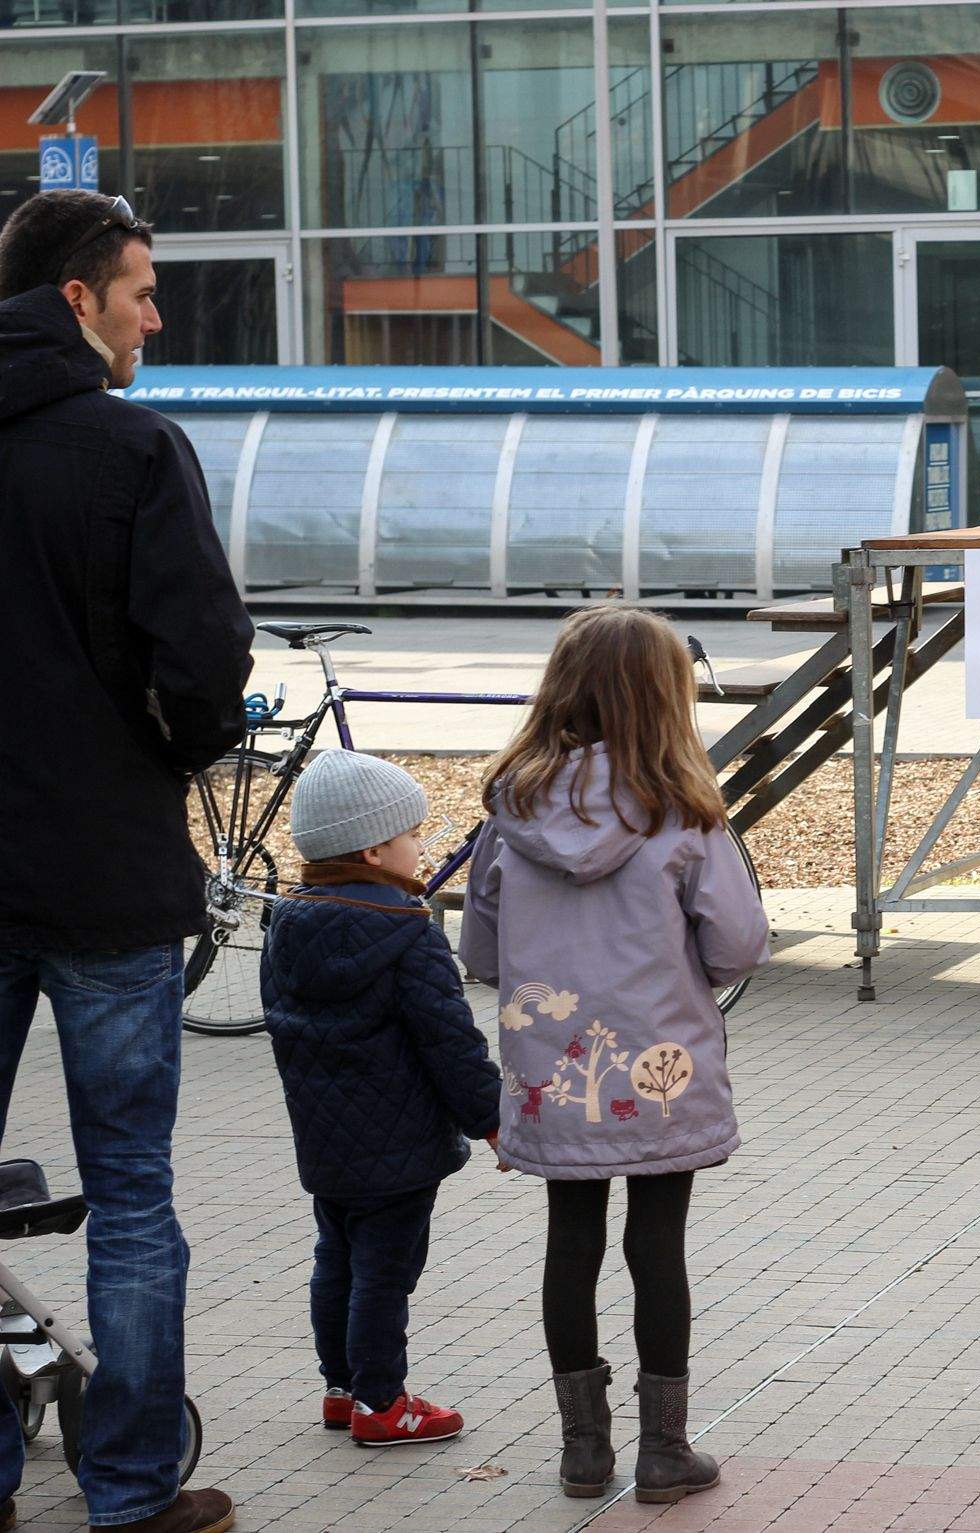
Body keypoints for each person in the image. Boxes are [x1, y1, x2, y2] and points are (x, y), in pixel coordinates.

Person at [0, 190, 250, 1533]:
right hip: (106, 874)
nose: (158, 313)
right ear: (79, 299)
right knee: (134, 1199)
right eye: (143, 289)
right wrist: (174, 753)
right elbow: (207, 661)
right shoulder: (134, 449)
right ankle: (133, 1494)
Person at [460, 606, 770, 1505]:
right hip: (657, 1067)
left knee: (571, 1240)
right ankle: (665, 1452)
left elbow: (480, 951)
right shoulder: (683, 814)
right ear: (664, 698)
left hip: (553, 1066)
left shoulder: (510, 812)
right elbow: (739, 944)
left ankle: (582, 1449)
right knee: (657, 1243)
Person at [262, 751, 502, 1448]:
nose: (422, 847)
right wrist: (491, 1121)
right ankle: (382, 1400)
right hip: (398, 1150)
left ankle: (341, 1387)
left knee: (334, 1258)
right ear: (374, 847)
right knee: (385, 1274)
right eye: (412, 835)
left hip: (324, 1140)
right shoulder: (408, 935)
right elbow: (450, 1042)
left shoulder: (284, 926)